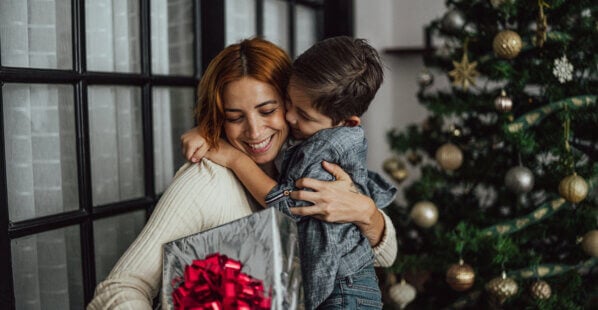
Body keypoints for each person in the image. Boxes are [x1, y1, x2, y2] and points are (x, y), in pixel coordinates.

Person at [87, 37, 397, 310]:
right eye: (235, 117)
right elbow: (119, 289)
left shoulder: (301, 157)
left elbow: (387, 253)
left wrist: (366, 213)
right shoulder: (205, 180)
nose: (254, 131)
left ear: (290, 100)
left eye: (267, 111)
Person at [190, 36, 396, 309]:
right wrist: (207, 134)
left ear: (346, 123)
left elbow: (286, 203)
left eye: (269, 109)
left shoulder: (322, 153)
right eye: (288, 103)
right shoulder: (314, 138)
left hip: (344, 291)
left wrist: (235, 158)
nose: (289, 118)